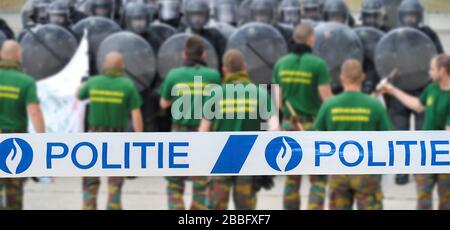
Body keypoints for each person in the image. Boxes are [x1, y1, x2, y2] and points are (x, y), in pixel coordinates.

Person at [199, 49, 279, 210]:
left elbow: (203, 130)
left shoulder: (216, 93)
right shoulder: (260, 93)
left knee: (216, 206)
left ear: (224, 70)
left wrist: (205, 164)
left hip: (220, 158)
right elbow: (275, 130)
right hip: (249, 158)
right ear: (245, 67)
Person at [314, 59, 391, 210]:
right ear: (362, 77)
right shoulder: (374, 105)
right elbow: (387, 138)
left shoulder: (330, 104)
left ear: (342, 77)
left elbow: (317, 136)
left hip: (338, 171)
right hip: (366, 171)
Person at [273, 23, 333, 210]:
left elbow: (277, 103)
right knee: (318, 178)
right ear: (311, 39)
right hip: (312, 126)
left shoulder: (281, 64)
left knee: (292, 177)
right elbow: (328, 100)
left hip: (289, 126)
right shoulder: (318, 65)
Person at [380, 54, 450, 210]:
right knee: (423, 200)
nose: (429, 72)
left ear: (442, 71)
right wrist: (393, 91)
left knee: (446, 202)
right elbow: (418, 105)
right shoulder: (432, 88)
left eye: (432, 69)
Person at [159, 35, 221, 210]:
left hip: (178, 134)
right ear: (204, 56)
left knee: (174, 183)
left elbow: (163, 103)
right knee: (201, 184)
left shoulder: (174, 75)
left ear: (184, 55)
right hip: (203, 135)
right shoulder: (213, 75)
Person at [77, 51, 144, 210]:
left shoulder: (93, 82)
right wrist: (139, 136)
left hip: (93, 138)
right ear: (122, 66)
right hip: (117, 140)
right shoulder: (127, 85)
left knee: (90, 183)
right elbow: (136, 114)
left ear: (104, 66)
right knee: (115, 184)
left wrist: (82, 83)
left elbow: (79, 95)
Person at [390, 0, 444, 185]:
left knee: (422, 132)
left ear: (419, 16)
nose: (410, 19)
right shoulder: (394, 35)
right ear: (401, 16)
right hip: (401, 89)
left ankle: (421, 167)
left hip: (422, 88)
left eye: (413, 15)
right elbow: (384, 58)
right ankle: (402, 169)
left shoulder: (429, 34)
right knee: (400, 133)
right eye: (407, 15)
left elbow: (440, 59)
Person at [0, 40, 45, 210]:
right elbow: (34, 111)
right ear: (19, 56)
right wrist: (42, 141)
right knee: (15, 192)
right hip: (16, 143)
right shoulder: (26, 82)